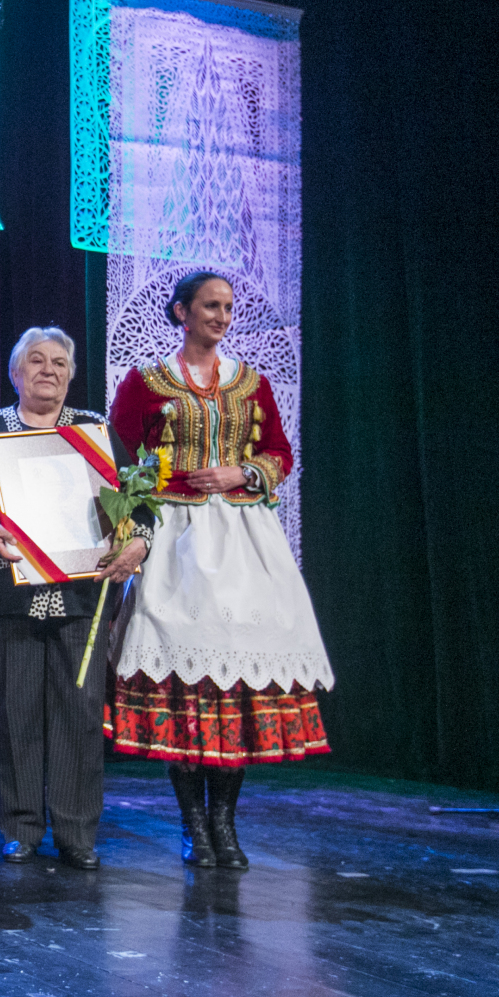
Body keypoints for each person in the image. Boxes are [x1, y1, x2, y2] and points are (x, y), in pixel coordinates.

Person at [108, 272, 333, 869]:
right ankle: (193, 826)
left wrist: (244, 472)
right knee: (187, 685)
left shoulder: (251, 383)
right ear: (181, 312)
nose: (222, 316)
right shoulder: (145, 382)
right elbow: (117, 457)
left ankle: (225, 824)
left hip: (242, 539)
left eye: (228, 308)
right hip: (175, 537)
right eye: (211, 306)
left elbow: (280, 451)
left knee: (235, 683)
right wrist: (132, 526)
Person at [0, 327, 150, 871]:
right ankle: (21, 828)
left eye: (60, 362)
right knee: (15, 711)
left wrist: (138, 543)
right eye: (36, 361)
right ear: (15, 372)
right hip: (10, 587)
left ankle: (76, 833)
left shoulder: (94, 429)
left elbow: (138, 505)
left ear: (71, 374)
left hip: (81, 591)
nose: (48, 370)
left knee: (79, 711)